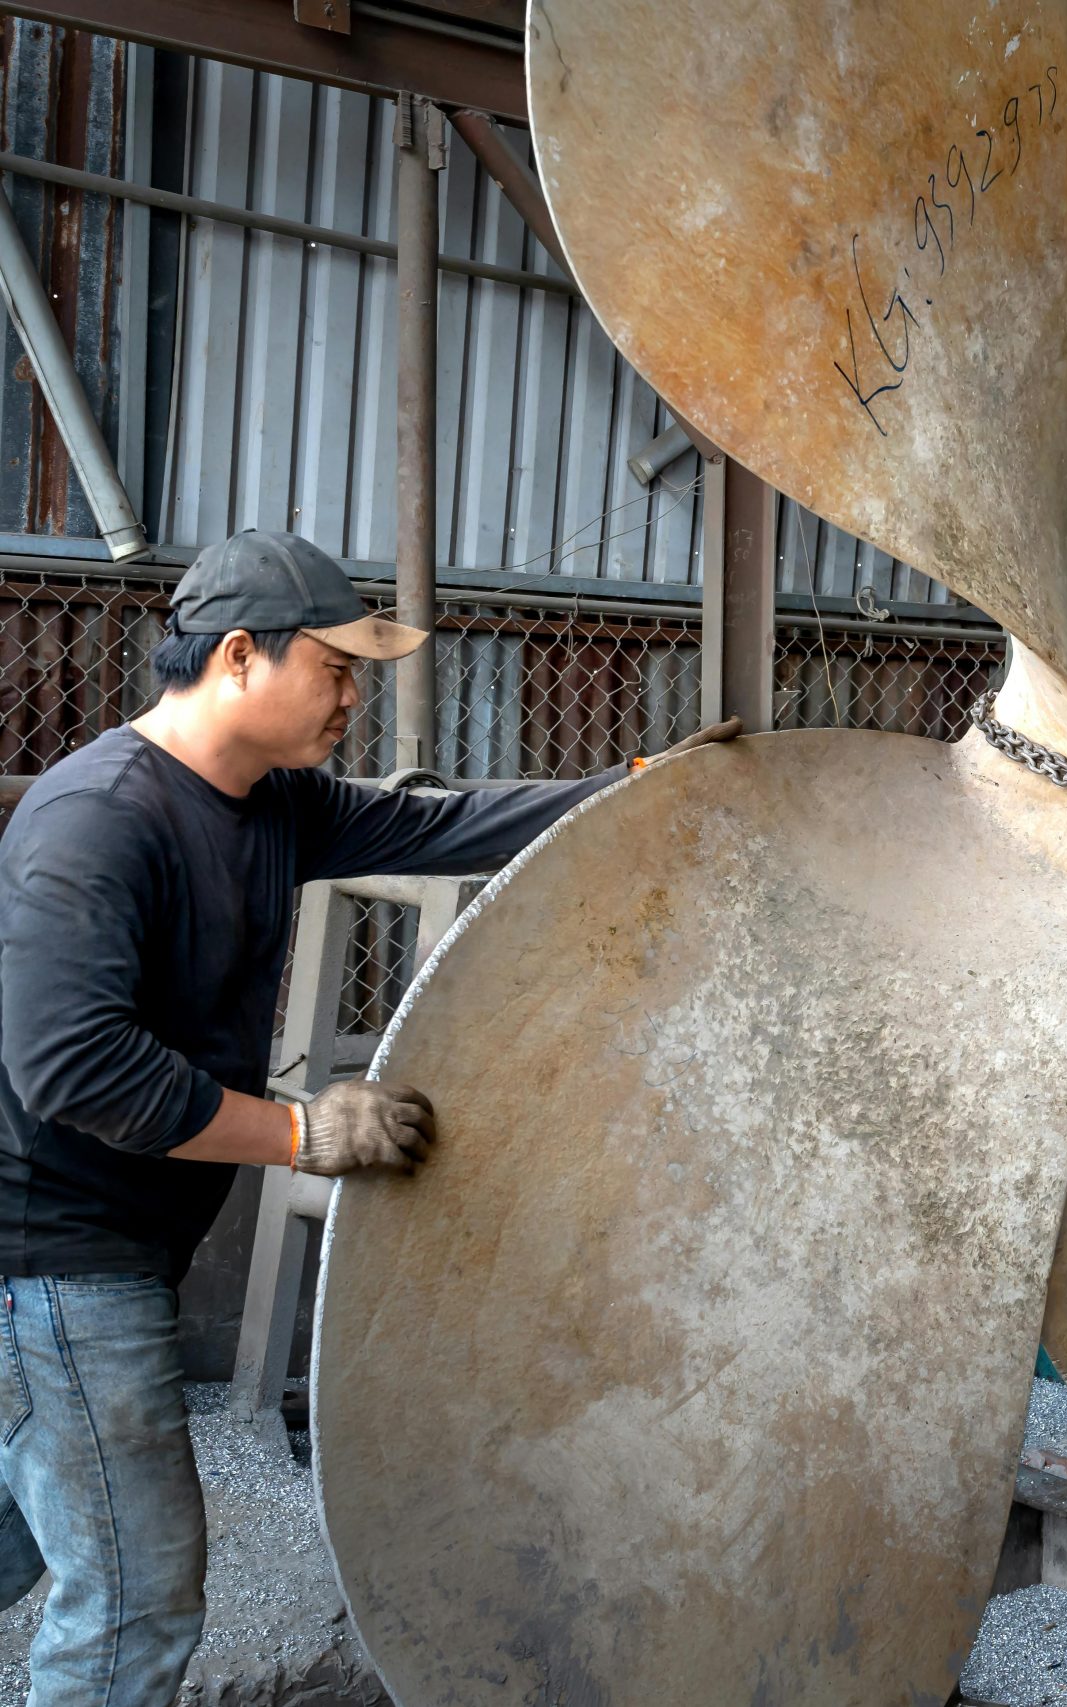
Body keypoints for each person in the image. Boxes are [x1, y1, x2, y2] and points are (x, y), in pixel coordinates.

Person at [0, 528, 737, 1702]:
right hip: (51, 1256)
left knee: (39, 1523)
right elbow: (76, 1070)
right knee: (136, 1595)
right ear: (239, 656)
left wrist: (641, 791)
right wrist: (304, 1133)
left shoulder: (269, 805)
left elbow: (445, 826)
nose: (354, 694)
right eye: (335, 668)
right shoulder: (96, 823)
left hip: (115, 1245)